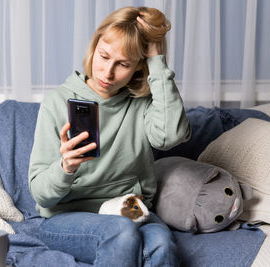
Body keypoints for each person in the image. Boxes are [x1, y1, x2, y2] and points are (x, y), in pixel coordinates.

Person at [28, 6, 191, 267]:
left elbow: (170, 136)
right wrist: (65, 168)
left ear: (139, 67)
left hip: (130, 208)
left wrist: (157, 61)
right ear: (94, 48)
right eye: (103, 57)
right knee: (120, 232)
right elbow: (41, 195)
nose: (107, 73)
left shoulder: (142, 103)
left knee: (161, 244)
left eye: (123, 64)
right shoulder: (56, 102)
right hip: (67, 216)